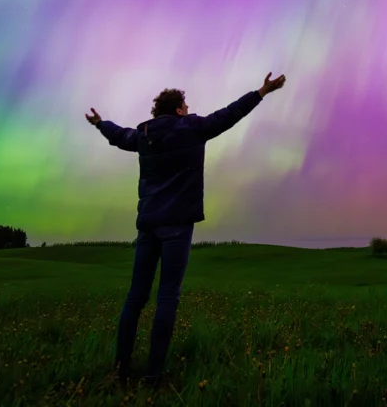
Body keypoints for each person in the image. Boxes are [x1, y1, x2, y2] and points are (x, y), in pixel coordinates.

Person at [85, 71, 287, 387]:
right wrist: (260, 92)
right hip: (177, 225)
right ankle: (153, 376)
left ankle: (120, 371)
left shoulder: (144, 134)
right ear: (179, 109)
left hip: (148, 224)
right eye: (186, 105)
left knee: (136, 296)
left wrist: (100, 123)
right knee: (167, 296)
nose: (189, 109)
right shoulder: (192, 128)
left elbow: (120, 135)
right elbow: (229, 114)